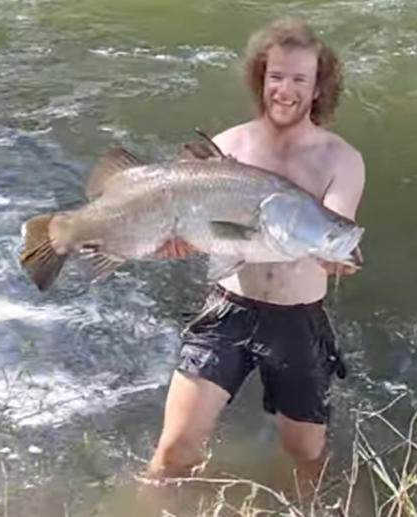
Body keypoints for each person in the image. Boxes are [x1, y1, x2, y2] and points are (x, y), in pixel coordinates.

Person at [141, 17, 366, 496]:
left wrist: (333, 256)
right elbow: (184, 224)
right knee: (173, 451)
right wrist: (175, 245)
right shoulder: (226, 146)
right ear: (261, 77)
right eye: (276, 76)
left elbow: (337, 224)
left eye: (299, 79)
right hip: (227, 309)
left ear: (319, 87)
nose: (285, 90)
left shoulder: (341, 158)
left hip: (297, 320)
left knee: (304, 457)